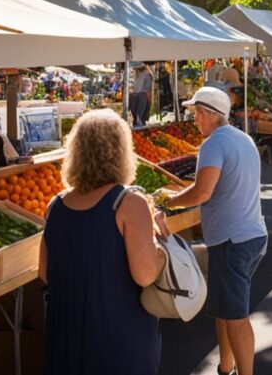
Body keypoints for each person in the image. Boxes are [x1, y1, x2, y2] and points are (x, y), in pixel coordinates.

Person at [40, 109, 166, 374]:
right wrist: (162, 252)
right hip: (117, 338)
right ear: (121, 151)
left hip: (68, 336)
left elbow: (45, 274)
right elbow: (145, 275)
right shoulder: (130, 203)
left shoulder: (56, 206)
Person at [161, 87, 268, 375]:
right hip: (252, 234)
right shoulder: (243, 139)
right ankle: (226, 368)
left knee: (235, 315)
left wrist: (168, 200)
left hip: (232, 240)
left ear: (210, 114)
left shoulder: (213, 145)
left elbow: (202, 192)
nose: (194, 119)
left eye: (196, 113)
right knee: (226, 309)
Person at [129, 62, 153, 127]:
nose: (134, 69)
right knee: (135, 118)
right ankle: (136, 123)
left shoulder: (147, 74)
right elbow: (134, 88)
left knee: (141, 118)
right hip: (135, 98)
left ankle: (140, 124)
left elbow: (147, 90)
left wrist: (148, 101)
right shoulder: (134, 74)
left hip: (142, 98)